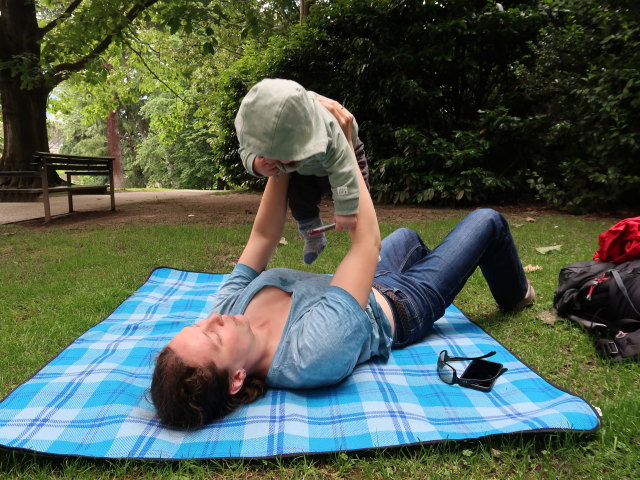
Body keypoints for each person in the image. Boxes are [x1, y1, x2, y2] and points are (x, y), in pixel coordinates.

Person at [151, 102, 535, 429]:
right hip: (402, 305)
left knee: (408, 236)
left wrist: (279, 160)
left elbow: (263, 238)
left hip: (366, 280)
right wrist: (342, 145)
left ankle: (437, 264)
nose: (214, 320)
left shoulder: (227, 310)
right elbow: (365, 245)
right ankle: (516, 295)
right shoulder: (310, 356)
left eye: (198, 325)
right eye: (214, 337)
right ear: (236, 379)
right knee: (487, 221)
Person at [234, 78, 370, 264]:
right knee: (298, 199)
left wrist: (346, 209)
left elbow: (343, 169)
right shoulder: (258, 128)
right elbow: (245, 149)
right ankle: (314, 236)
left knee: (360, 201)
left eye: (278, 154)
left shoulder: (327, 133)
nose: (271, 160)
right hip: (305, 167)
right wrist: (256, 162)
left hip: (343, 156)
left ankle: (368, 249)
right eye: (265, 153)